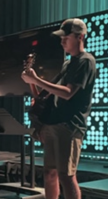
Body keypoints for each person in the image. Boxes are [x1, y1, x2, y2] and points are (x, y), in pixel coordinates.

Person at [21, 18, 96, 199]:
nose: (62, 41)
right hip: (54, 123)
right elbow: (49, 94)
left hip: (70, 125)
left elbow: (68, 93)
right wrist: (33, 83)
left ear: (80, 37)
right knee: (50, 173)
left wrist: (36, 80)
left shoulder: (85, 61)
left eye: (66, 37)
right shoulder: (67, 64)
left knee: (66, 175)